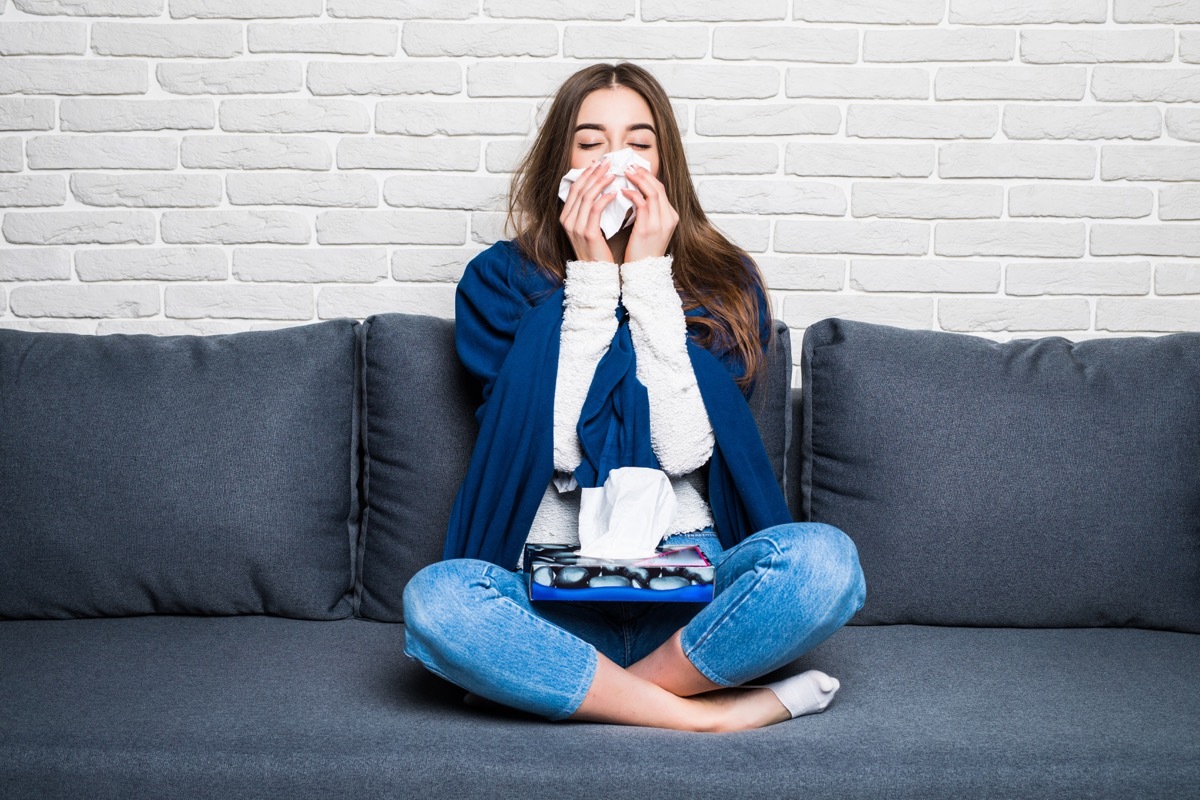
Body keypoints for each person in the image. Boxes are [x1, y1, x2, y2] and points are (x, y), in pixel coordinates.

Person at [402, 62, 866, 733]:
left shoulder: (723, 282)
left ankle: (581, 694)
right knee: (438, 602)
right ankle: (705, 716)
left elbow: (680, 446)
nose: (614, 160)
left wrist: (648, 278)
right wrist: (591, 279)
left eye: (637, 143)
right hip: (549, 603)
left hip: (692, 605)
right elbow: (556, 449)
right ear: (561, 160)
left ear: (664, 161)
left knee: (825, 564)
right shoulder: (497, 282)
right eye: (591, 144)